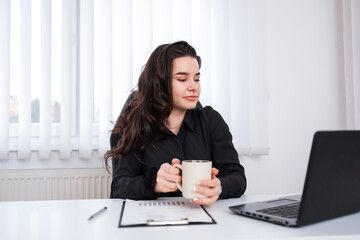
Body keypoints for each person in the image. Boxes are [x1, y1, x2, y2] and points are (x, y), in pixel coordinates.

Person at [104, 41, 246, 205]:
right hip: (153, 221)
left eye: (197, 79)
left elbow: (238, 178)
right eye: (182, 79)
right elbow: (119, 187)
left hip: (203, 218)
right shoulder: (139, 124)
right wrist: (155, 184)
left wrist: (219, 188)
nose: (194, 87)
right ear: (160, 83)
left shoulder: (211, 121)